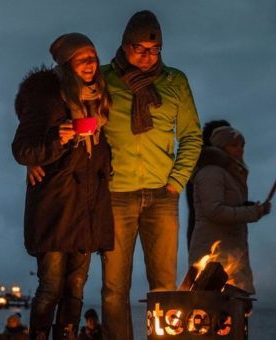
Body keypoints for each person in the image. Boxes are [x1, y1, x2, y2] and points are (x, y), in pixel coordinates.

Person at [99, 10, 202, 339]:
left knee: (164, 288)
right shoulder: (102, 80)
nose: (147, 56)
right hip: (116, 194)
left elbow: (191, 136)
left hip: (162, 195)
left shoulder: (175, 82)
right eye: (140, 49)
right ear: (125, 45)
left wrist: (175, 184)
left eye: (154, 50)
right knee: (114, 288)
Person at [12, 32, 114, 339]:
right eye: (82, 58)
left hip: (86, 207)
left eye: (93, 57)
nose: (90, 64)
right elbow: (22, 149)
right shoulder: (47, 97)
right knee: (51, 287)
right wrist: (58, 138)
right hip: (55, 207)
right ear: (67, 63)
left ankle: (67, 334)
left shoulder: (99, 99)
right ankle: (40, 335)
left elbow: (99, 153)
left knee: (76, 288)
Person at [188, 126, 271, 300]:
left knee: (230, 309)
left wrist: (252, 209)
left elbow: (227, 206)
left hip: (231, 251)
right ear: (222, 147)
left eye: (242, 145)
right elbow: (214, 211)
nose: (240, 149)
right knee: (210, 307)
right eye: (234, 145)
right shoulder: (211, 172)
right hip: (213, 251)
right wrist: (252, 212)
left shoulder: (230, 175)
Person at [186, 119, 231, 249]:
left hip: (207, 236)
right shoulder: (208, 169)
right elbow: (213, 208)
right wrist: (251, 211)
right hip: (209, 239)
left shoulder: (204, 166)